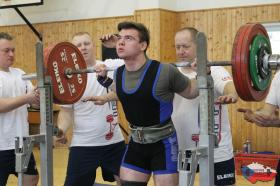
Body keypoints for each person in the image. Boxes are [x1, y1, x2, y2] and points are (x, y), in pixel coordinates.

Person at [84, 21, 199, 186]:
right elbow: (126, 92)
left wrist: (203, 73)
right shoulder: (119, 73)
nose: (121, 42)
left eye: (128, 38)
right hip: (136, 144)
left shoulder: (165, 71)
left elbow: (191, 92)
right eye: (120, 38)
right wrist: (104, 80)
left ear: (143, 45)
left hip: (163, 144)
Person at [56, 32, 126, 186]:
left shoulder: (110, 66)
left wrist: (118, 43)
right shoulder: (70, 78)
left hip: (114, 142)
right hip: (83, 144)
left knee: (129, 182)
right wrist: (60, 130)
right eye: (78, 46)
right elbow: (66, 111)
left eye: (86, 43)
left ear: (93, 45)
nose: (83, 48)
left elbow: (137, 60)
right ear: (73, 52)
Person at [171, 27, 238, 186]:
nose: (181, 51)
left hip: (217, 150)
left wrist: (232, 95)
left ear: (199, 46)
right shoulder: (173, 73)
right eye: (177, 47)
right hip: (185, 150)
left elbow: (229, 86)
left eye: (185, 47)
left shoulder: (214, 70)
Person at [0, 32, 40, 186]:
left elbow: (34, 103)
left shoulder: (21, 74)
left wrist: (40, 94)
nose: (11, 54)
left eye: (13, 50)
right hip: (1, 145)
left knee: (31, 178)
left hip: (22, 143)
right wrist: (27, 98)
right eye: (6, 51)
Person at [238, 71, 280, 186]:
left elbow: (267, 117)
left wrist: (254, 116)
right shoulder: (278, 76)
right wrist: (253, 115)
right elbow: (266, 117)